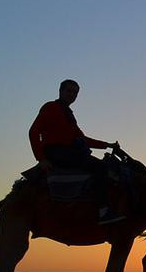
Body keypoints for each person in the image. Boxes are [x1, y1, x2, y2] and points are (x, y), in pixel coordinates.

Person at [28, 79, 125, 224]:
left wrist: (107, 145)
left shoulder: (69, 115)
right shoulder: (50, 107)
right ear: (60, 91)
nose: (72, 95)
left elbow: (83, 139)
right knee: (100, 168)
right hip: (57, 153)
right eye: (69, 91)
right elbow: (33, 131)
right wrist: (41, 159)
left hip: (70, 152)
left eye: (75, 93)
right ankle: (103, 211)